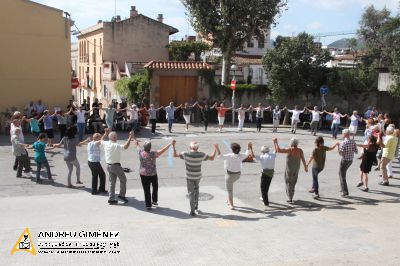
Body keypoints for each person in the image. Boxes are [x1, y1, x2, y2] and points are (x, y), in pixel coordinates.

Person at [173, 141, 217, 216]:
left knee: (191, 193)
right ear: (198, 148)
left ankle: (192, 210)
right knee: (196, 189)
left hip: (189, 176)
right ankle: (196, 205)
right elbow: (212, 158)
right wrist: (215, 148)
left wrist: (173, 146)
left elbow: (174, 155)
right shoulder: (202, 154)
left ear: (190, 147)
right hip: (198, 176)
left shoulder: (185, 154)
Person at [134, 139, 173, 210]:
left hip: (143, 174)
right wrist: (170, 144)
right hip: (153, 174)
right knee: (155, 186)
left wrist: (134, 138)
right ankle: (154, 200)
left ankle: (148, 205)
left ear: (144, 147)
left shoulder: (141, 152)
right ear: (150, 147)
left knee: (146, 189)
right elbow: (163, 150)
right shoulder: (153, 153)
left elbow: (137, 145)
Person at [215, 142, 251, 209]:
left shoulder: (229, 155)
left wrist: (217, 148)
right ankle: (229, 200)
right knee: (230, 188)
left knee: (230, 191)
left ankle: (231, 205)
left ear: (232, 150)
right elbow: (247, 153)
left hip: (230, 176)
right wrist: (248, 146)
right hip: (238, 175)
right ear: (239, 149)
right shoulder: (241, 155)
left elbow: (220, 156)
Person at [102, 130, 134, 204]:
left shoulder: (106, 143)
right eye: (116, 136)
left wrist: (105, 134)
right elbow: (125, 147)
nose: (117, 137)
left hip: (108, 166)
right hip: (115, 166)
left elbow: (101, 140)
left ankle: (111, 198)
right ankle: (122, 195)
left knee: (112, 183)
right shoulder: (115, 145)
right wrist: (130, 137)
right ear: (113, 137)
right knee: (123, 180)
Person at [273, 137, 308, 203]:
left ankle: (290, 198)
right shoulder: (300, 150)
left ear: (291, 143)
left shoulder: (290, 150)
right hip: (296, 169)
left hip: (289, 170)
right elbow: (303, 159)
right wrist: (305, 167)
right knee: (293, 183)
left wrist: (275, 142)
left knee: (288, 182)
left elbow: (278, 150)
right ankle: (291, 195)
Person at [249, 142, 277, 206]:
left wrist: (251, 148)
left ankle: (266, 202)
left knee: (262, 188)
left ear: (263, 151)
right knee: (267, 186)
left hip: (265, 173)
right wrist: (275, 142)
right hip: (271, 173)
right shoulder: (272, 155)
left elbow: (253, 156)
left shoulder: (262, 156)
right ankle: (263, 197)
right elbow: (276, 150)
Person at [338, 129, 358, 197]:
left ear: (345, 134)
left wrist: (338, 146)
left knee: (341, 175)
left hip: (345, 160)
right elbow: (356, 151)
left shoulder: (343, 143)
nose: (342, 135)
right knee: (343, 173)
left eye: (342, 133)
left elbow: (340, 153)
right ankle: (342, 187)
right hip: (350, 160)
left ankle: (345, 191)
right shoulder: (353, 141)